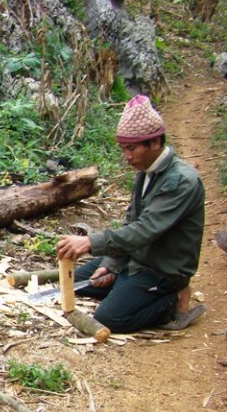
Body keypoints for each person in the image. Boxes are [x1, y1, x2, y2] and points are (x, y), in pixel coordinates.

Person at [56, 94, 206, 333]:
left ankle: (174, 298)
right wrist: (112, 263)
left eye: (131, 148)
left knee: (109, 318)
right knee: (77, 281)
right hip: (136, 258)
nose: (127, 156)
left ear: (154, 142)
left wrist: (89, 242)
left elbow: (144, 230)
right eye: (123, 149)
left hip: (161, 270)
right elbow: (130, 221)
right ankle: (125, 284)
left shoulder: (181, 181)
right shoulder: (145, 171)